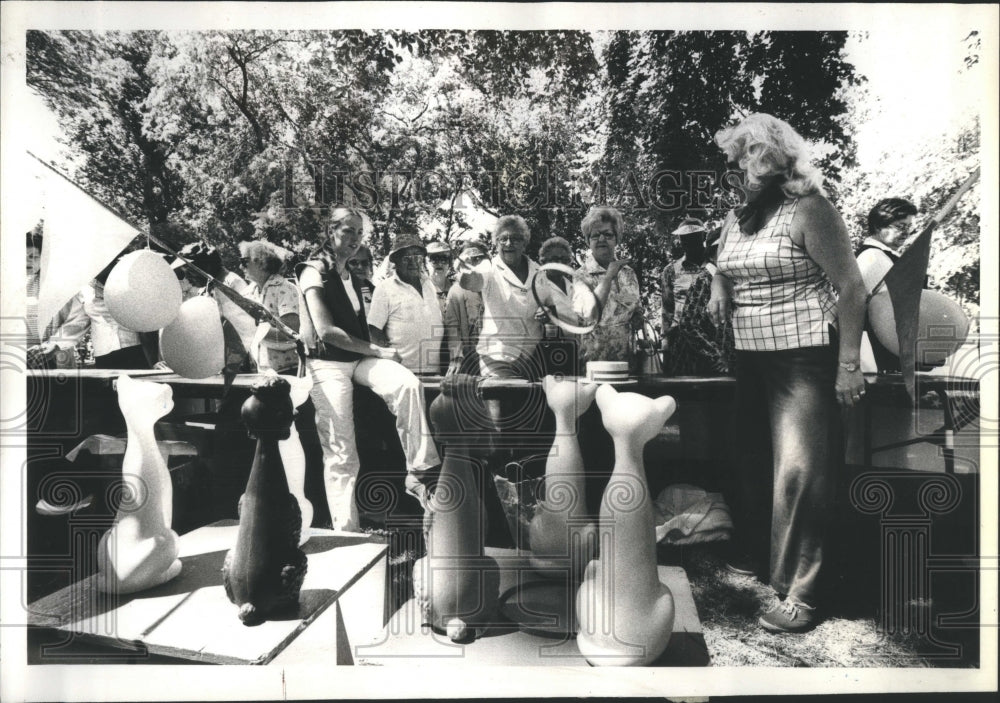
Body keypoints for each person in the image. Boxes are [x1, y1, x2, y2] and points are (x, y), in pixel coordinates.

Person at [709, 113, 867, 633]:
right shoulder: (740, 216)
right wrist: (719, 284)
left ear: (767, 157)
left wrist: (847, 365)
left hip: (804, 359)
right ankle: (761, 556)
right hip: (751, 358)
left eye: (741, 160)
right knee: (753, 464)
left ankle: (801, 592)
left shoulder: (811, 209)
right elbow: (727, 264)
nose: (733, 171)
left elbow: (850, 287)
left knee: (801, 473)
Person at [297, 207, 440, 530]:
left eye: (359, 233)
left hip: (357, 359)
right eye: (348, 231)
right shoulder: (312, 270)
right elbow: (326, 331)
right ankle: (347, 531)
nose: (354, 239)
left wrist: (378, 354)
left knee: (407, 384)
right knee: (341, 450)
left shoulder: (351, 273)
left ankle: (420, 470)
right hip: (326, 364)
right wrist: (379, 349)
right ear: (330, 230)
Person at [458, 215, 542, 380]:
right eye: (503, 239)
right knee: (497, 402)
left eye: (516, 239)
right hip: (496, 357)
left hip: (531, 358)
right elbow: (472, 282)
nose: (509, 244)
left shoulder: (538, 271)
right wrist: (465, 269)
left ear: (525, 243)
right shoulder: (488, 267)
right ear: (495, 243)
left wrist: (547, 313)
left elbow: (549, 304)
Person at [856, 198, 920, 372]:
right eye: (900, 226)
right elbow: (890, 312)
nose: (907, 233)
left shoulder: (885, 256)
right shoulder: (874, 258)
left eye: (909, 227)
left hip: (888, 348)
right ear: (878, 226)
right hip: (880, 353)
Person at [662, 222, 734, 375]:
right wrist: (666, 341)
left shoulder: (723, 274)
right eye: (685, 238)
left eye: (694, 237)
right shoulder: (676, 272)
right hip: (689, 348)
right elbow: (671, 311)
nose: (689, 242)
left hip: (715, 347)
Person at [368, 234, 446, 375]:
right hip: (402, 374)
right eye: (406, 258)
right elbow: (374, 332)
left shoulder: (429, 284)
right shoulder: (384, 288)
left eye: (417, 257)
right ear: (395, 261)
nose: (413, 262)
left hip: (434, 372)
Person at [574, 206, 642, 365]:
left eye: (608, 234)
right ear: (588, 241)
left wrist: (638, 316)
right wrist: (609, 276)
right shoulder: (580, 277)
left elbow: (632, 304)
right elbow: (589, 315)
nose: (602, 239)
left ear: (617, 238)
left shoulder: (628, 273)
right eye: (595, 235)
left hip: (627, 363)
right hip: (593, 364)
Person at [25, 230, 89, 369]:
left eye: (33, 256)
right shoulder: (8, 286)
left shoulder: (60, 285)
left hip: (54, 358)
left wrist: (55, 344)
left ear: (44, 258)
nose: (27, 261)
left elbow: (80, 318)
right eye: (22, 256)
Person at [79, 255, 154, 370]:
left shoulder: (129, 281)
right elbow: (78, 321)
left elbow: (147, 321)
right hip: (103, 353)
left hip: (132, 348)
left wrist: (154, 360)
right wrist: (56, 344)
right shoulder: (84, 289)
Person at [239, 240, 301, 374]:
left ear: (261, 262)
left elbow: (291, 333)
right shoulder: (247, 293)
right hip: (261, 369)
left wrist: (250, 329)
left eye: (244, 261)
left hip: (290, 369)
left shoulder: (286, 289)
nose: (240, 266)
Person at [443, 240, 488, 373]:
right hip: (469, 359)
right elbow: (452, 327)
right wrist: (456, 356)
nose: (473, 263)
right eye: (469, 260)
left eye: (478, 259)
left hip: (494, 355)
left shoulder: (493, 287)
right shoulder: (456, 291)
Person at [346, 244, 377, 316]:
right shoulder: (338, 292)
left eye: (364, 263)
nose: (360, 267)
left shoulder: (377, 293)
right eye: (354, 263)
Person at [425, 240, 453, 318]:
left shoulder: (456, 287)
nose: (440, 263)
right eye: (434, 259)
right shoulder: (421, 289)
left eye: (444, 259)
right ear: (426, 263)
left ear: (449, 263)